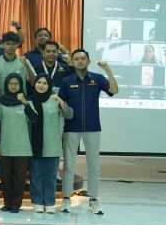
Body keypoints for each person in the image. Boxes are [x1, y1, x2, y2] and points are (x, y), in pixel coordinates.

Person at [59, 50, 118, 214]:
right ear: (72, 62)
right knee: (68, 165)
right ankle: (66, 198)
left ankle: (94, 200)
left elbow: (114, 91)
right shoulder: (66, 81)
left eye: (83, 58)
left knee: (94, 165)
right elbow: (61, 104)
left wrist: (108, 70)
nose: (80, 61)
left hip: (93, 127)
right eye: (76, 59)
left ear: (88, 61)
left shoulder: (97, 79)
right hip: (71, 128)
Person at [0, 73, 37, 213]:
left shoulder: (27, 102)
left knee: (20, 178)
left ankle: (16, 205)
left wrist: (24, 102)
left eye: (16, 84)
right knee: (5, 177)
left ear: (21, 85)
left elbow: (34, 118)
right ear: (6, 85)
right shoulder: (0, 102)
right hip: (5, 145)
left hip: (22, 147)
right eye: (10, 83)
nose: (13, 86)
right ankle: (7, 203)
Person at [29, 74, 73, 213]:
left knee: (50, 177)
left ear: (49, 86)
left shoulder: (54, 101)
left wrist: (60, 100)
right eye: (38, 82)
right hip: (34, 145)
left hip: (52, 145)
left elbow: (69, 114)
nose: (41, 85)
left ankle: (49, 203)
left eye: (44, 83)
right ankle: (37, 202)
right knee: (36, 176)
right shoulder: (29, 101)